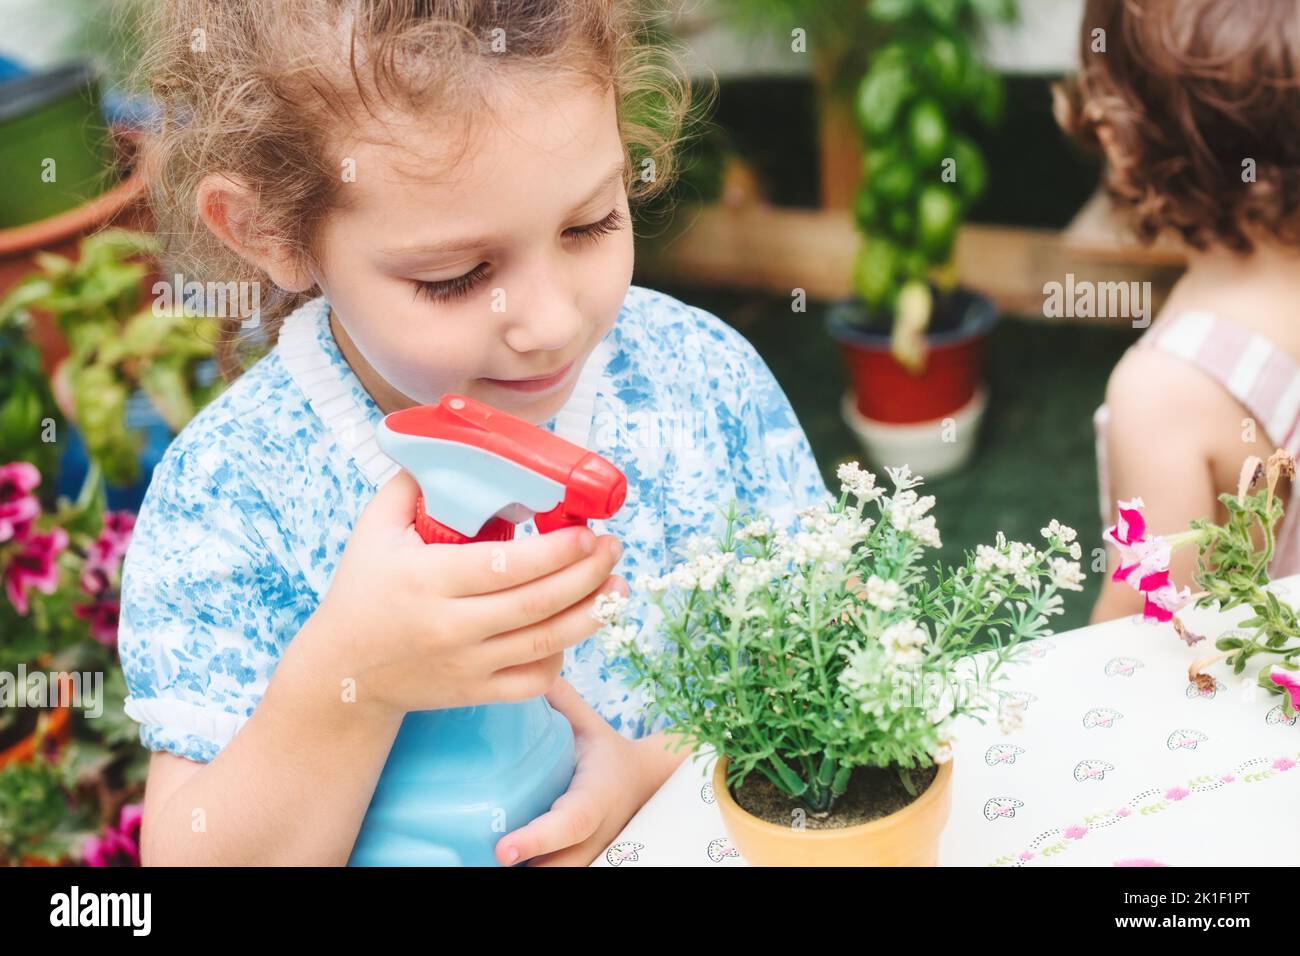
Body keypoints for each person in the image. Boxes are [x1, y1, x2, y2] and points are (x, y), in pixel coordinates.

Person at [117, 0, 829, 865]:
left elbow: (839, 674)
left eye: (591, 223)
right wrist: (352, 684)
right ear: (269, 229)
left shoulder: (699, 383)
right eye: (457, 276)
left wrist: (652, 773)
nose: (550, 322)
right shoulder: (234, 491)